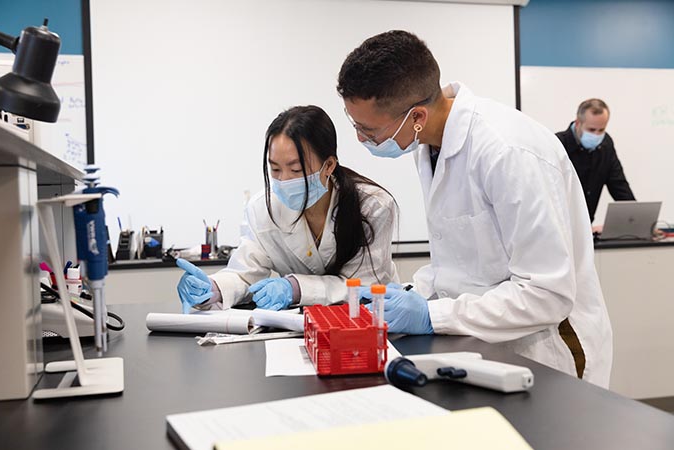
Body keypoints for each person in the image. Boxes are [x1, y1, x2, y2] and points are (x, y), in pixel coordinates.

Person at [337, 31, 612, 387]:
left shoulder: (507, 151)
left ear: (417, 116)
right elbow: (462, 265)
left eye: (368, 129)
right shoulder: (428, 145)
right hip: (482, 346)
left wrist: (430, 315)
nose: (361, 138)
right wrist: (410, 293)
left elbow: (547, 295)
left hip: (547, 352)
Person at [176, 105, 399, 312]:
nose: (283, 181)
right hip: (297, 326)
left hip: (369, 321)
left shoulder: (373, 206)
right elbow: (245, 275)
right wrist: (214, 288)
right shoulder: (263, 208)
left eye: (295, 169)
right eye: (275, 169)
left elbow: (362, 286)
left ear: (329, 165)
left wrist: (294, 288)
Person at [556, 99, 635, 225]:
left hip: (588, 227)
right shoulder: (558, 145)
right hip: (561, 227)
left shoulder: (606, 145)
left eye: (601, 130)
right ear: (578, 123)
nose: (597, 135)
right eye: (592, 130)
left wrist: (635, 218)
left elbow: (619, 185)